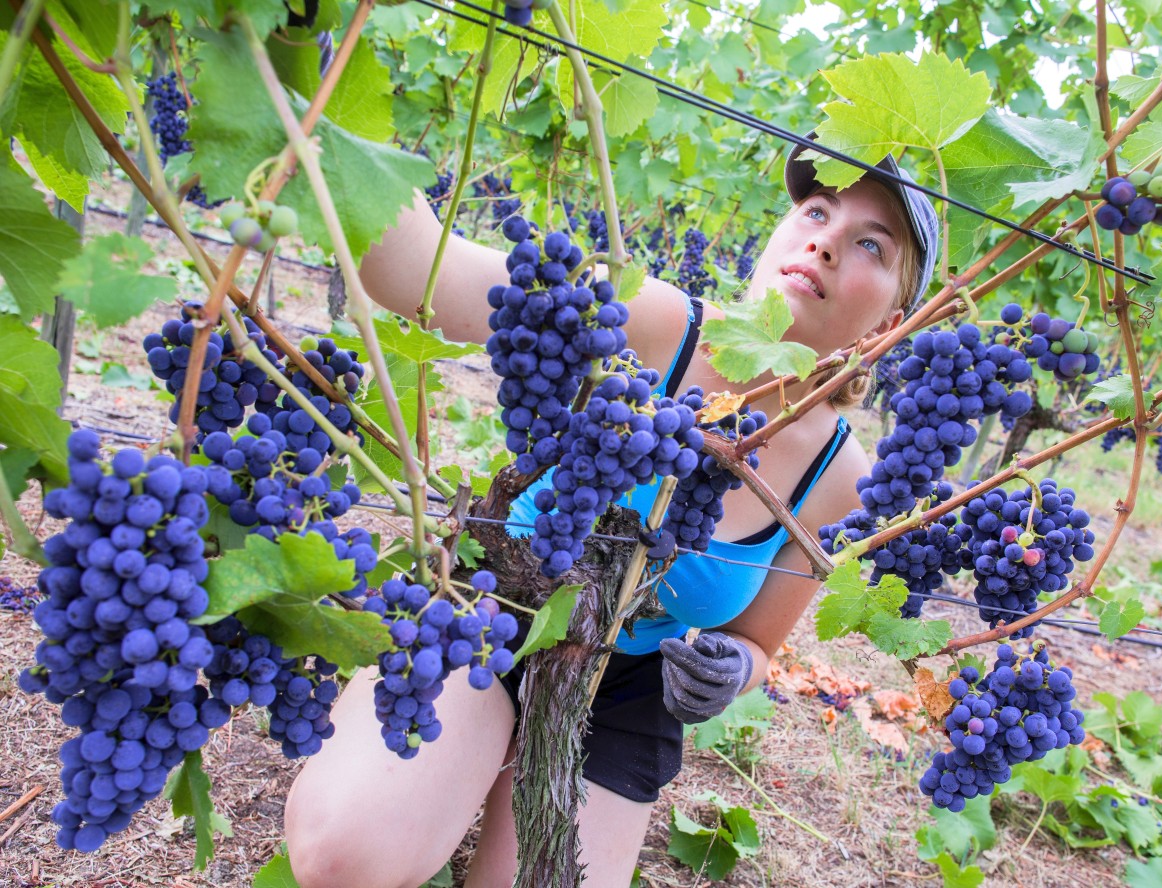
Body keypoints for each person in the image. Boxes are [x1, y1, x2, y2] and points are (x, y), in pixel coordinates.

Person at [283, 139, 940, 888]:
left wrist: (734, 671)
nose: (824, 240)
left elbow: (757, 642)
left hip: (628, 691)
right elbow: (436, 277)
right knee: (347, 857)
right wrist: (317, 117)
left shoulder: (839, 480)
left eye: (869, 245)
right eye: (816, 211)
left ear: (892, 319)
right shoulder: (660, 321)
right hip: (497, 605)